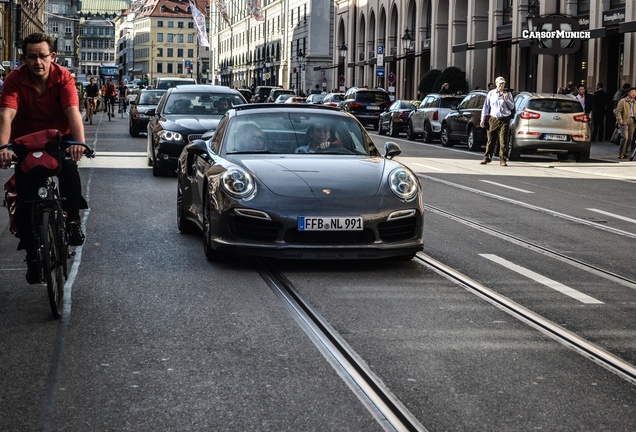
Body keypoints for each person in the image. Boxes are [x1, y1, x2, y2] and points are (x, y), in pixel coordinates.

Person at [0, 33, 89, 284]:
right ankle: (31, 255)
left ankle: (71, 221)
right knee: (26, 201)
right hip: (25, 142)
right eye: (32, 57)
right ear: (23, 59)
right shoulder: (14, 80)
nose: (37, 62)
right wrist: (2, 148)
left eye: (42, 56)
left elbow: (73, 111)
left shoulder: (63, 77)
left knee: (69, 173)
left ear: (53, 56)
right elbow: (6, 115)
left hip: (58, 140)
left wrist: (79, 144)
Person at [479, 76, 514, 166]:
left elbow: (512, 107)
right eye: (500, 84)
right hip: (493, 118)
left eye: (503, 84)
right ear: (496, 84)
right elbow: (486, 107)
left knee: (503, 141)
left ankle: (503, 159)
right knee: (491, 139)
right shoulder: (491, 93)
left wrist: (507, 100)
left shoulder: (508, 94)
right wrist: (483, 119)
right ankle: (487, 158)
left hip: (504, 119)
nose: (501, 85)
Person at [614, 86, 636, 159]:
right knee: (625, 137)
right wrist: (620, 120)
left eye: (635, 92)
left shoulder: (635, 102)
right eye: (632, 92)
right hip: (625, 120)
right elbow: (618, 111)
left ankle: (626, 152)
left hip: (633, 120)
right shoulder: (623, 101)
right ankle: (621, 153)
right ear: (628, 93)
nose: (634, 94)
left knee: (630, 138)